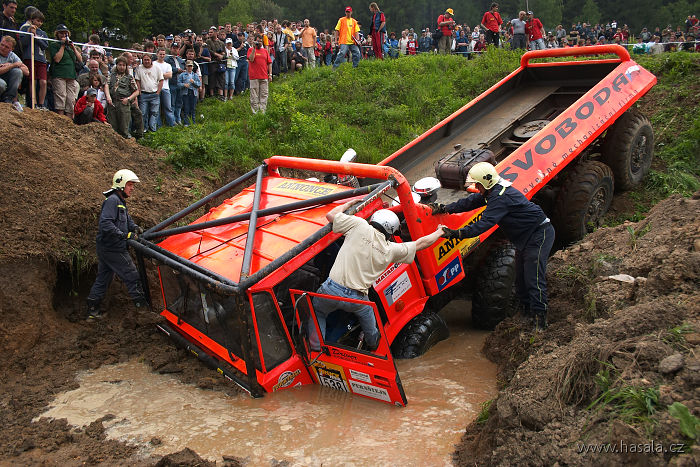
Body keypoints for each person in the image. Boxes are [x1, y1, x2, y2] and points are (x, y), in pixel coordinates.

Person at [431, 162, 555, 330]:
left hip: (539, 235)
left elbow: (483, 224)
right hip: (525, 238)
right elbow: (470, 202)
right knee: (520, 279)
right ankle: (526, 314)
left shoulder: (500, 197)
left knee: (534, 278)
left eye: (477, 184)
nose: (476, 187)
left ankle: (540, 321)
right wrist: (446, 208)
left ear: (485, 182)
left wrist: (456, 233)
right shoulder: (493, 191)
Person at [309, 200, 444, 351]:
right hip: (358, 299)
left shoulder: (358, 225)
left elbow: (331, 215)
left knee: (317, 312)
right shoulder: (390, 249)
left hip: (330, 291)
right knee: (369, 316)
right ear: (391, 230)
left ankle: (315, 349)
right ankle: (373, 344)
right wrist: (440, 232)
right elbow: (420, 244)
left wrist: (348, 204)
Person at [86, 170, 148, 320]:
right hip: (113, 248)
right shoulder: (113, 201)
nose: (132, 188)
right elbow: (105, 223)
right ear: (120, 185)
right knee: (132, 276)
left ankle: (92, 312)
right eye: (130, 184)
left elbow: (126, 220)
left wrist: (134, 228)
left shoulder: (120, 203)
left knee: (103, 279)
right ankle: (143, 311)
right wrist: (124, 235)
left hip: (106, 248)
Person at [47, 24, 82, 118]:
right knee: (61, 97)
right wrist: (62, 46)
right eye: (61, 33)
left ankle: (69, 121)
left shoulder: (70, 47)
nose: (64, 35)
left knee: (70, 100)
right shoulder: (54, 45)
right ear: (57, 34)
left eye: (65, 33)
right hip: (59, 75)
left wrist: (73, 47)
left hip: (71, 75)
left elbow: (80, 59)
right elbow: (57, 59)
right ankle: (61, 119)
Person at [19, 9, 48, 109]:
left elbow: (45, 45)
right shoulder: (25, 28)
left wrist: (35, 36)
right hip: (30, 57)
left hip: (41, 59)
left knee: (43, 82)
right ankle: (33, 102)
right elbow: (24, 43)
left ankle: (41, 103)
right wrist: (29, 33)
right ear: (32, 20)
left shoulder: (43, 33)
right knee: (33, 81)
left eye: (41, 21)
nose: (39, 23)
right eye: (37, 20)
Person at [107, 56, 140, 138]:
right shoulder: (111, 76)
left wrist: (128, 99)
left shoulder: (129, 77)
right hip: (113, 103)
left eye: (123, 65)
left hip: (123, 103)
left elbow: (137, 91)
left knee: (124, 126)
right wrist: (108, 97)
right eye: (120, 65)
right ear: (116, 65)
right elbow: (106, 86)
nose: (121, 67)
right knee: (112, 126)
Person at [133, 53, 163, 133]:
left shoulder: (157, 68)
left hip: (154, 94)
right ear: (142, 60)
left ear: (151, 60)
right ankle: (144, 129)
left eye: (148, 59)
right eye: (144, 60)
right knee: (143, 113)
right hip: (143, 94)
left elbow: (161, 80)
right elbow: (137, 80)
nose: (146, 61)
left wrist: (158, 92)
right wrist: (139, 91)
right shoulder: (139, 68)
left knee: (154, 113)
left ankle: (152, 129)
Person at [0, 35, 27, 110]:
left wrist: (12, 65)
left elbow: (27, 71)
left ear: (11, 49)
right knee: (1, 84)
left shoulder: (12, 56)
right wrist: (12, 65)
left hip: (6, 80)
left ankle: (8, 99)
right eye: (2, 45)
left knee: (18, 72)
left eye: (6, 47)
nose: (3, 48)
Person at [247, 33, 272, 114]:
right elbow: (251, 59)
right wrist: (254, 48)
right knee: (254, 96)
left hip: (264, 75)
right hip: (254, 76)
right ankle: (255, 113)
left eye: (260, 41)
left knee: (264, 95)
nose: (259, 43)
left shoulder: (265, 51)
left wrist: (270, 74)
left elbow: (269, 63)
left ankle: (262, 112)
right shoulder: (250, 50)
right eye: (257, 41)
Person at [154, 48, 175, 127]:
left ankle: (171, 125)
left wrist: (159, 75)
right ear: (157, 54)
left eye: (163, 54)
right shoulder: (153, 64)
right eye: (160, 54)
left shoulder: (167, 65)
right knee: (156, 108)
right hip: (155, 88)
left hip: (166, 88)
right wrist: (163, 75)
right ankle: (158, 126)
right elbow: (153, 75)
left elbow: (170, 75)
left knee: (168, 107)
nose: (162, 56)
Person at [178, 60, 200, 126]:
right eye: (188, 66)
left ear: (193, 67)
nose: (190, 67)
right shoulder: (182, 75)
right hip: (185, 93)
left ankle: (193, 122)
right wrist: (184, 85)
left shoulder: (195, 75)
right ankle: (186, 122)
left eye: (191, 66)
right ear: (186, 67)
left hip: (193, 93)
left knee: (193, 108)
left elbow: (199, 84)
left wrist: (194, 82)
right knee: (186, 108)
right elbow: (178, 84)